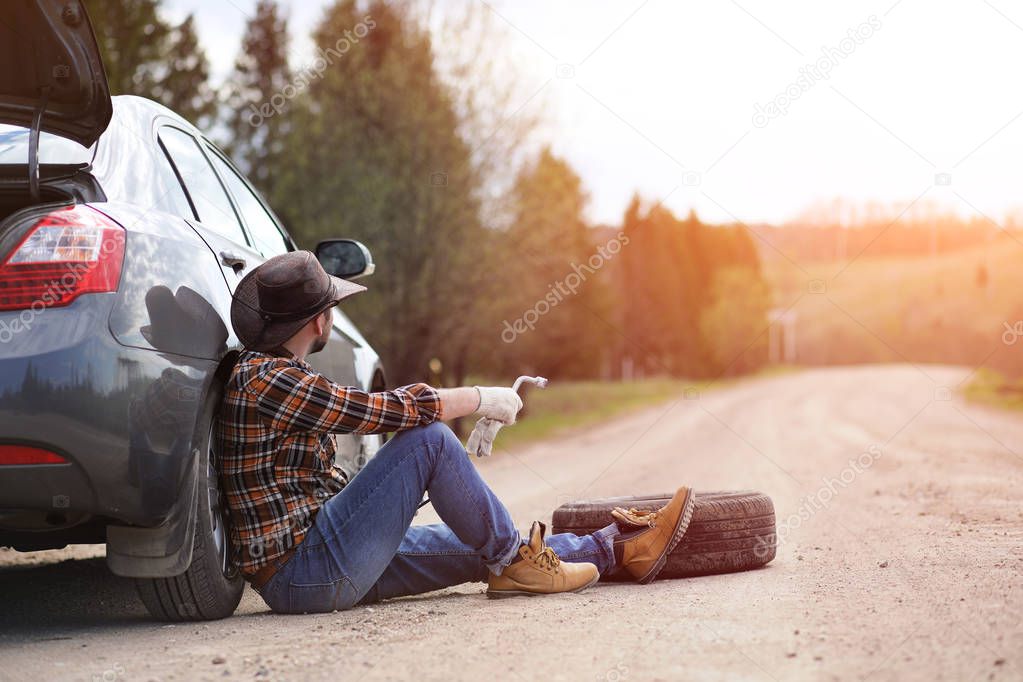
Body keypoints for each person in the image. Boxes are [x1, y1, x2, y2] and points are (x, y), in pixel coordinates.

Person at [218, 251, 695, 614]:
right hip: (308, 572)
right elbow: (374, 411)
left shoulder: (274, 372)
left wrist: (424, 490)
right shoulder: (268, 380)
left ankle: (618, 548)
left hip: (320, 559)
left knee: (477, 545)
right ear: (320, 319)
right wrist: (478, 398)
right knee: (429, 440)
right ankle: (515, 561)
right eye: (332, 308)